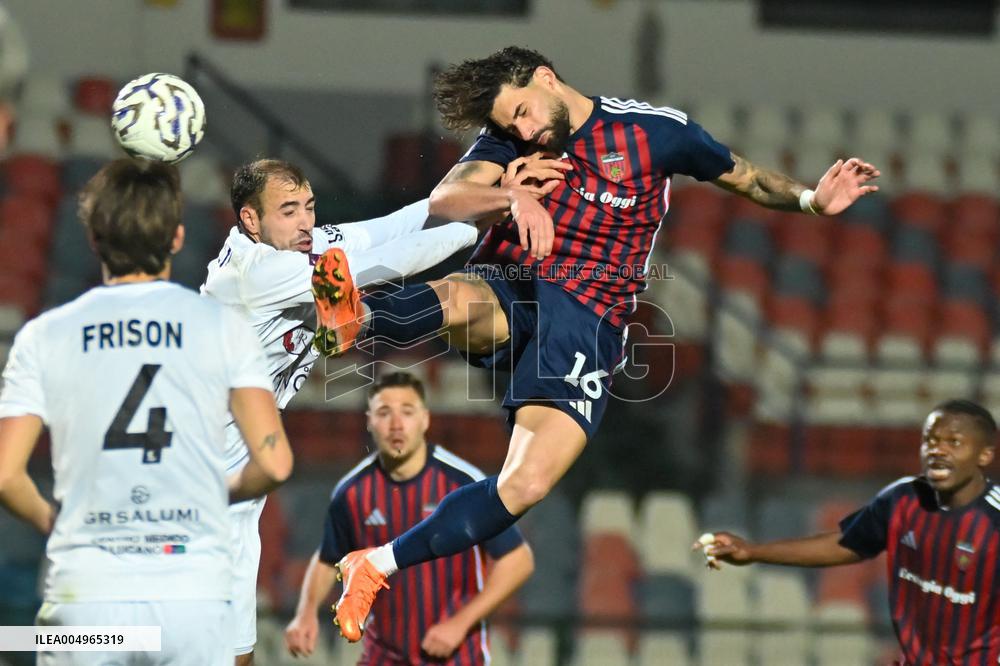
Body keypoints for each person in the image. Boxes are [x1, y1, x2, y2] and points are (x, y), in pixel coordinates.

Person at [309, 46, 881, 640]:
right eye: (511, 126)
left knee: (525, 486)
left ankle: (377, 563)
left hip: (588, 319)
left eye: (524, 113)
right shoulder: (509, 140)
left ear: (547, 78)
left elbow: (748, 178)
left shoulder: (654, 133)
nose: (524, 131)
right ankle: (355, 319)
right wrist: (513, 196)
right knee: (458, 299)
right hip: (514, 282)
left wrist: (813, 201)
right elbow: (446, 199)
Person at [0, 158, 293, 665]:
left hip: (89, 592)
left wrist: (55, 521)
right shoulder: (222, 329)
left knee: (20, 642)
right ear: (177, 237)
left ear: (94, 239)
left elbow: (6, 476)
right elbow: (274, 463)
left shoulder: (45, 335)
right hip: (190, 595)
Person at [202, 158, 485, 663]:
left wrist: (477, 200)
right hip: (198, 486)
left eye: (309, 207)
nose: (305, 223)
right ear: (250, 219)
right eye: (288, 211)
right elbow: (386, 263)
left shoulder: (301, 245)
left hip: (239, 499)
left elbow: (388, 229)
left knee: (238, 653)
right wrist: (477, 228)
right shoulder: (257, 271)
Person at [696, 399, 1000, 665]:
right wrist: (753, 551)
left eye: (954, 442)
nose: (938, 450)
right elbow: (845, 544)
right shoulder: (904, 500)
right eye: (931, 440)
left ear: (984, 455)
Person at [284, 371, 534, 664]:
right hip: (383, 654)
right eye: (384, 413)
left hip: (456, 655)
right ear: (369, 421)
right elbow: (329, 558)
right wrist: (306, 613)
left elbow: (518, 560)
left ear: (425, 419)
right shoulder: (352, 491)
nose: (396, 424)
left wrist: (461, 622)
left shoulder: (463, 482)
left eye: (407, 411)